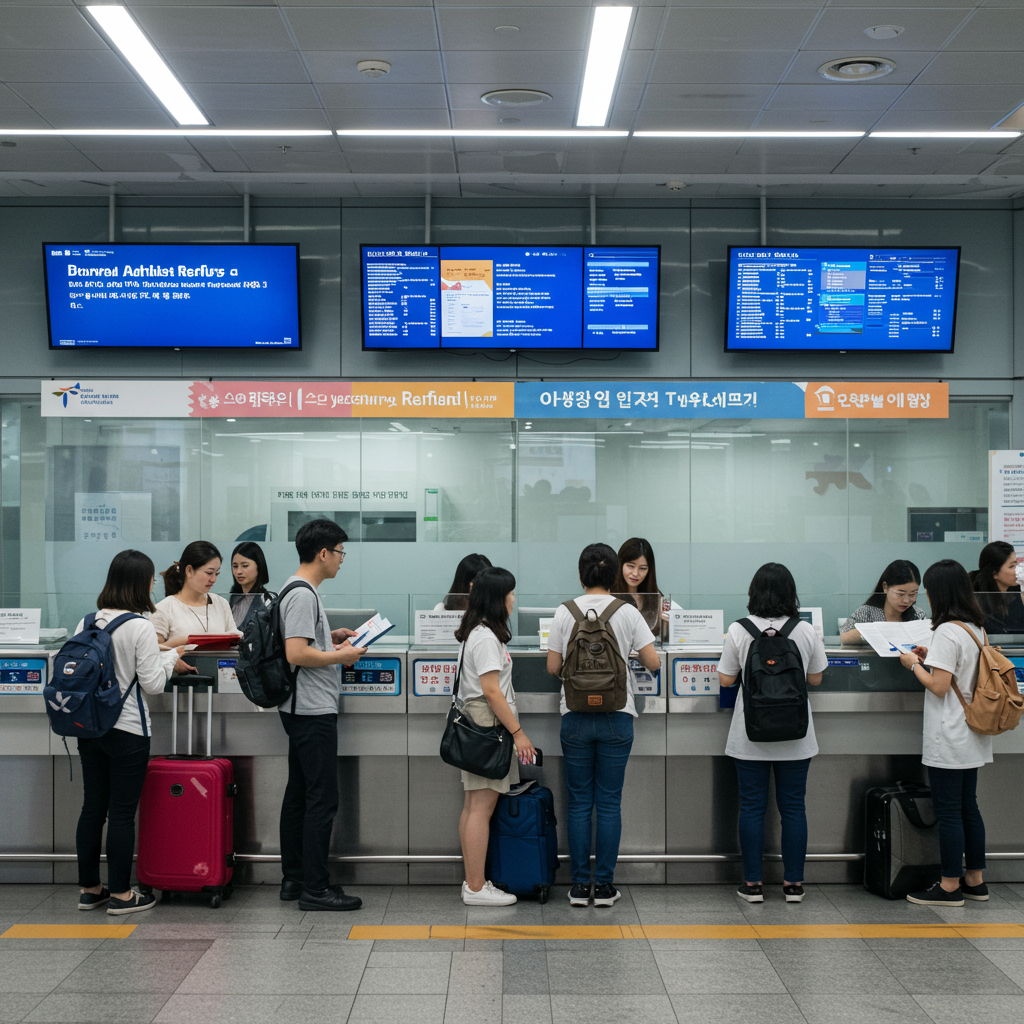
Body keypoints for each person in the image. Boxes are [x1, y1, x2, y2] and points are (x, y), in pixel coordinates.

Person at [546, 543, 660, 907]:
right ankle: (606, 887)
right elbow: (654, 662)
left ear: (581, 575)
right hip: (617, 715)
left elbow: (552, 667)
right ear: (613, 574)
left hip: (575, 716)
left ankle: (580, 886)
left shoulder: (564, 612)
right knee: (609, 803)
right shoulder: (626, 611)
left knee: (579, 803)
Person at [75, 550, 181, 916]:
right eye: (151, 579)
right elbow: (151, 684)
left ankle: (91, 889)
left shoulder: (87, 621)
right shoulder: (139, 626)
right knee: (121, 813)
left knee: (93, 808)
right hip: (128, 729)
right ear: (141, 583)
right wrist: (170, 659)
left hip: (88, 727)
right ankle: (121, 894)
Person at [717, 563, 827, 904]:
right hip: (796, 733)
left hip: (750, 732)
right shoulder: (805, 630)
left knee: (752, 807)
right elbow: (816, 678)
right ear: (790, 594)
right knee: (794, 807)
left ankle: (752, 885)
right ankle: (793, 884)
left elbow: (725, 680)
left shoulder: (739, 629)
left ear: (753, 593)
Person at [277, 518, 367, 911]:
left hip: (301, 706)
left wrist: (329, 639)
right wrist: (341, 656)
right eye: (341, 552)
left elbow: (299, 643)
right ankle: (315, 888)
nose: (342, 560)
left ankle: (294, 879)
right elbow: (295, 653)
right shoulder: (302, 593)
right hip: (310, 708)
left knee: (299, 794)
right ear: (323, 553)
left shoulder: (297, 590)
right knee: (321, 798)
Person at [899, 559, 992, 907]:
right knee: (969, 806)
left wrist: (914, 665)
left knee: (949, 811)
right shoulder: (974, 627)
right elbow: (956, 672)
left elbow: (938, 686)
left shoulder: (946, 630)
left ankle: (950, 885)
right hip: (973, 732)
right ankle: (975, 880)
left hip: (950, 733)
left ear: (938, 592)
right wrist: (930, 658)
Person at [452, 566, 538, 906]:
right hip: (487, 723)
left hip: (478, 720)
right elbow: (491, 691)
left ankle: (472, 883)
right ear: (498, 599)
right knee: (480, 808)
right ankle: (476, 887)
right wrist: (518, 734)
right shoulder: (486, 637)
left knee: (473, 805)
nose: (514, 600)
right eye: (511, 594)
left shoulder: (478, 632)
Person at [151, 541, 238, 646]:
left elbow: (234, 642)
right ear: (189, 570)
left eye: (217, 573)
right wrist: (181, 642)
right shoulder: (164, 608)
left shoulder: (221, 604)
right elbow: (155, 652)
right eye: (209, 573)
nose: (214, 579)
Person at [840, 559, 927, 644]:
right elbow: (845, 637)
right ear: (885, 587)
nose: (906, 600)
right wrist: (878, 631)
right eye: (900, 594)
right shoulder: (867, 612)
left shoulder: (918, 615)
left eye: (913, 594)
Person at [612, 537, 672, 633]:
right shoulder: (608, 595)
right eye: (630, 566)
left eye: (642, 568)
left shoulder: (657, 597)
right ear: (620, 564)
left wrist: (668, 625)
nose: (635, 573)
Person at [969, 541, 1024, 635]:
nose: (1017, 570)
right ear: (995, 573)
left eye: (1016, 565)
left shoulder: (1016, 593)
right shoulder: (978, 602)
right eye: (1011, 566)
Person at [228, 541, 274, 629]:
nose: (239, 571)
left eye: (245, 566)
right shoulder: (233, 599)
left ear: (259, 566)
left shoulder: (267, 601)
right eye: (235, 566)